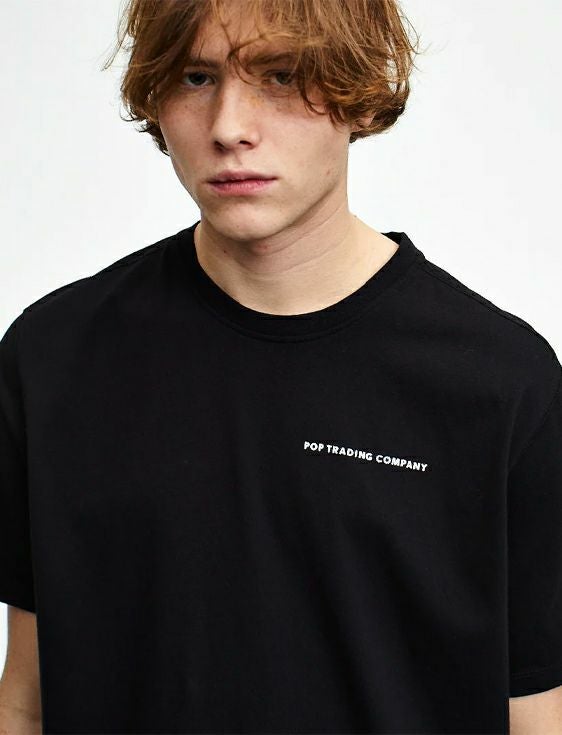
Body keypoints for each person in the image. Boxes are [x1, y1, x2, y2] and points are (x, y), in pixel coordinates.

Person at [1, 0, 561, 733]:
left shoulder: (500, 382)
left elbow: (535, 712)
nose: (229, 126)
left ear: (360, 93)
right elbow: (27, 696)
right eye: (197, 77)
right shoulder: (54, 357)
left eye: (281, 74)